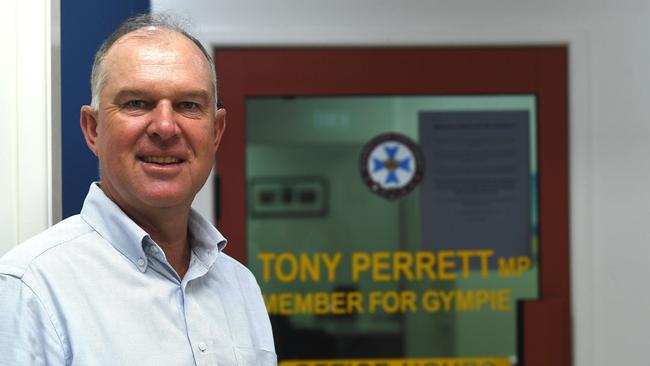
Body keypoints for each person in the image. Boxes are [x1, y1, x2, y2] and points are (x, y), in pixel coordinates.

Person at [0, 13, 276, 365]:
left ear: (216, 132)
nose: (164, 127)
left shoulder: (241, 287)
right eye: (137, 103)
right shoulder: (31, 288)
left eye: (188, 105)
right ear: (93, 129)